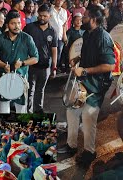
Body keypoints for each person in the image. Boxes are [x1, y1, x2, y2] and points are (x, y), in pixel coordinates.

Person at [58, 5, 115, 168]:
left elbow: (109, 65)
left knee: (89, 118)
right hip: (84, 83)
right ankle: (71, 146)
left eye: (85, 16)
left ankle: (90, 152)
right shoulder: (88, 34)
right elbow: (89, 54)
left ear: (94, 19)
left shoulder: (103, 37)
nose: (82, 19)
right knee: (72, 111)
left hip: (96, 86)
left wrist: (85, 71)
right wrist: (78, 60)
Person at [0, 10, 38, 113]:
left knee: (21, 110)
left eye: (19, 23)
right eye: (13, 23)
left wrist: (22, 63)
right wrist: (3, 65)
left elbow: (35, 58)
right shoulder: (0, 39)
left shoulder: (27, 38)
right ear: (7, 24)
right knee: (3, 109)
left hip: (21, 79)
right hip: (4, 78)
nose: (17, 26)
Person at [23, 4, 58, 113]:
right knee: (30, 90)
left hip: (45, 66)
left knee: (40, 90)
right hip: (31, 66)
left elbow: (54, 50)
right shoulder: (29, 28)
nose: (42, 18)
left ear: (50, 16)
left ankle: (38, 110)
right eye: (40, 15)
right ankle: (28, 111)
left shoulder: (53, 31)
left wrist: (54, 68)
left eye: (45, 16)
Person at [49, 0, 68, 72]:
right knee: (49, 53)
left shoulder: (64, 11)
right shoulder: (50, 9)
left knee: (58, 53)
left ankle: (54, 70)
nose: (59, 1)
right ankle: (48, 70)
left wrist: (64, 35)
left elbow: (64, 25)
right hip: (50, 36)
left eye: (61, 0)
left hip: (60, 36)